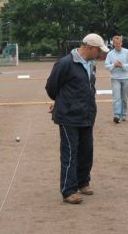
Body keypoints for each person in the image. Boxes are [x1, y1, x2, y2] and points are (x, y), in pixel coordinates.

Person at [45, 33, 109, 204]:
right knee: (70, 153)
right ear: (90, 47)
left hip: (86, 114)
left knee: (86, 151)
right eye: (99, 50)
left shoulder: (91, 64)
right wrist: (61, 102)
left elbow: (89, 88)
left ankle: (83, 182)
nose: (100, 54)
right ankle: (68, 190)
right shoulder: (65, 63)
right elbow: (51, 87)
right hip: (68, 116)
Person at [104, 35, 128, 123]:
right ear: (113, 44)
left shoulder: (127, 52)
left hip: (125, 78)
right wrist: (114, 65)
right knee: (117, 98)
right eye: (116, 43)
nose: (117, 45)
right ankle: (116, 115)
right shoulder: (110, 54)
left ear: (121, 43)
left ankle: (123, 114)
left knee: (124, 98)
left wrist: (122, 65)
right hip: (115, 78)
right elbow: (106, 65)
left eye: (119, 43)